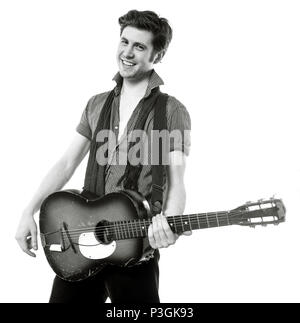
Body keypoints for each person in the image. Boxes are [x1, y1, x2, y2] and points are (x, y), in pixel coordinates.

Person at [15, 9, 191, 303]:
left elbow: (176, 181)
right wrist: (27, 211)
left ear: (157, 56)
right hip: (81, 239)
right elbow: (66, 163)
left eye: (140, 46)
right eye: (124, 42)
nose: (128, 52)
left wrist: (170, 224)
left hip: (136, 245)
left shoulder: (171, 111)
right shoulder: (96, 104)